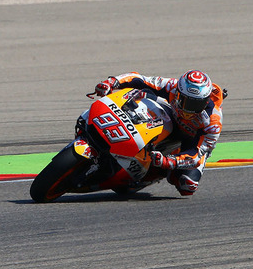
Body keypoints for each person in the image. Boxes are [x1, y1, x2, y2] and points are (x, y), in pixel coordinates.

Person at [94, 70, 226, 196]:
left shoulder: (213, 121)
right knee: (141, 93)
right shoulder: (172, 86)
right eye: (185, 101)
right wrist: (112, 82)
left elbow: (197, 154)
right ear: (179, 92)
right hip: (169, 117)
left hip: (191, 141)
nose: (189, 109)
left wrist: (169, 162)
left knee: (187, 185)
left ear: (206, 101)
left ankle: (147, 173)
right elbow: (140, 80)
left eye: (195, 105)